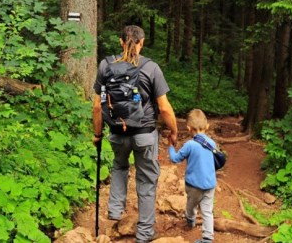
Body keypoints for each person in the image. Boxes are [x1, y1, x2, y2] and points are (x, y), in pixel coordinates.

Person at [92, 25, 178, 243]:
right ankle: (145, 234)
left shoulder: (106, 65)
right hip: (145, 134)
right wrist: (174, 131)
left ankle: (114, 210)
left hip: (117, 132)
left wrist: (97, 134)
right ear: (142, 42)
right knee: (147, 180)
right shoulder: (151, 68)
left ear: (121, 42)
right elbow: (165, 108)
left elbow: (96, 106)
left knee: (120, 166)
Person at [168, 109, 216, 243]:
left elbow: (175, 159)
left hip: (194, 185)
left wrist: (170, 147)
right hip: (210, 183)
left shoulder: (190, 144)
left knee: (191, 205)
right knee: (207, 211)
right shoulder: (211, 143)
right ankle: (207, 238)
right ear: (207, 127)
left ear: (189, 128)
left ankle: (190, 220)